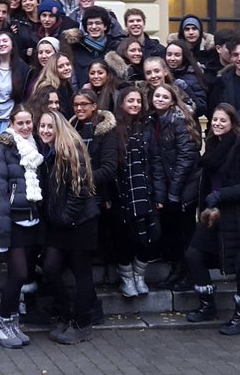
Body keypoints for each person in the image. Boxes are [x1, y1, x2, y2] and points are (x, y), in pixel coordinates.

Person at [183, 104, 240, 336]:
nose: (217, 124)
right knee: (194, 254)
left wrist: (221, 195)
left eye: (222, 120)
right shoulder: (214, 146)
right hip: (214, 214)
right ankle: (207, 306)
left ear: (233, 123)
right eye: (215, 120)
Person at [37, 110, 99, 345]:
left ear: (59, 128)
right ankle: (66, 314)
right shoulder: (46, 151)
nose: (45, 130)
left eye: (49, 126)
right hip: (59, 223)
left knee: (82, 273)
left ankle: (82, 324)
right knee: (50, 267)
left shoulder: (70, 150)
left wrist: (65, 218)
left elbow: (79, 190)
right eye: (42, 126)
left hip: (79, 222)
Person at [0, 106, 42, 349]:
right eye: (20, 123)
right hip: (12, 221)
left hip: (32, 219)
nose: (26, 127)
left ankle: (12, 322)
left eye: (29, 122)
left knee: (21, 275)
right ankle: (1, 324)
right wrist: (2, 229)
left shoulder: (35, 146)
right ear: (11, 123)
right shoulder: (1, 148)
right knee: (18, 273)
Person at [69, 89, 118, 325]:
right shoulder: (71, 129)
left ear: (94, 106)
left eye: (84, 104)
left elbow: (108, 168)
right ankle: (91, 306)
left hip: (94, 200)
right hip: (73, 200)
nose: (79, 108)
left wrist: (80, 180)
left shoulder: (105, 131)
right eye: (76, 105)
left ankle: (90, 310)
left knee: (83, 260)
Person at [147, 82, 200, 291]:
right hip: (168, 184)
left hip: (184, 185)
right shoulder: (154, 120)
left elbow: (186, 157)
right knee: (174, 232)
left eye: (164, 97)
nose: (159, 99)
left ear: (172, 101)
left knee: (186, 233)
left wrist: (174, 191)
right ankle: (177, 270)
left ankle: (190, 274)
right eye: (157, 96)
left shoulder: (178, 119)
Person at [110, 85, 160, 298]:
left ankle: (139, 275)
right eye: (131, 101)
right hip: (122, 191)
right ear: (121, 103)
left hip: (145, 190)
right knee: (125, 238)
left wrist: (158, 192)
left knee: (153, 234)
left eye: (138, 101)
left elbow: (155, 159)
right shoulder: (114, 127)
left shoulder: (146, 125)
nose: (135, 105)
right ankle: (127, 278)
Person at [0, 31, 29, 135]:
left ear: (12, 45)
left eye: (5, 41)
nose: (1, 44)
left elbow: (24, 96)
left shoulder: (23, 68)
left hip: (10, 121)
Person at [65, 6, 120, 85]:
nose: (94, 27)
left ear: (105, 26)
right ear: (86, 27)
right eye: (90, 23)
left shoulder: (115, 47)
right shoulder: (76, 47)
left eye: (98, 23)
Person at [144, 55, 205, 120]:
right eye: (148, 73)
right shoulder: (144, 94)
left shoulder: (178, 89)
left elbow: (194, 111)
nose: (153, 75)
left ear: (165, 71)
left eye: (157, 71)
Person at [31, 52, 75, 119]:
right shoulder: (47, 90)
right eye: (61, 66)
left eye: (68, 64)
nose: (66, 68)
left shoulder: (68, 87)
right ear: (53, 70)